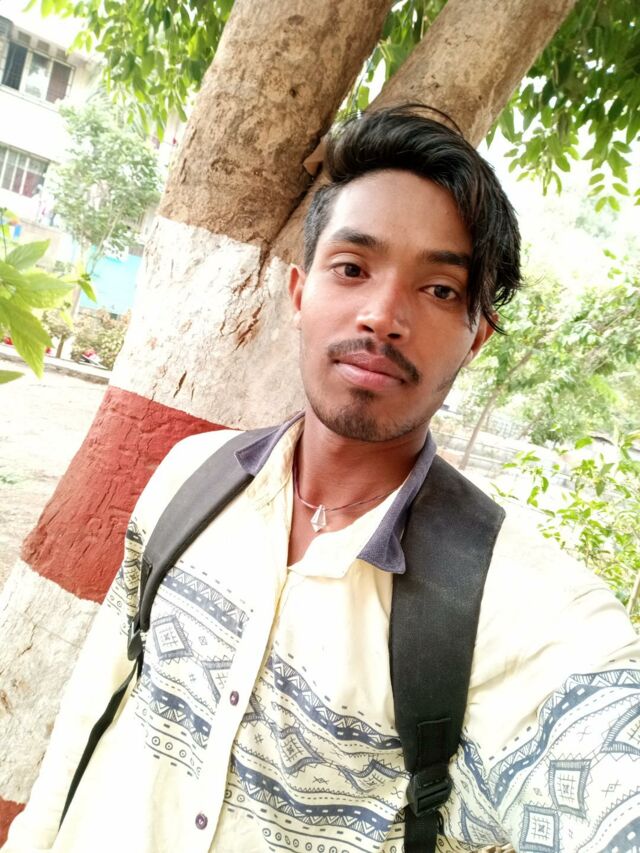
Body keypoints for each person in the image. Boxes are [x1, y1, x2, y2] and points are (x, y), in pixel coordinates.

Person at [4, 106, 639, 853]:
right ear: (300, 291)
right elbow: (97, 701)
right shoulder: (188, 476)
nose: (382, 315)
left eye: (439, 290)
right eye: (353, 268)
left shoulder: (521, 611)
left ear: (477, 338)